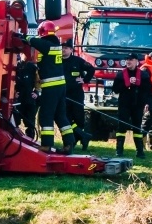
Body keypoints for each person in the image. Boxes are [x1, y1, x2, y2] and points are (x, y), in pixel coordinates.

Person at [14, 21, 76, 154]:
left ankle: (47, 145)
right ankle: (69, 143)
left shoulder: (49, 45)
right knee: (60, 116)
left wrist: (23, 37)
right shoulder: (55, 45)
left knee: (45, 115)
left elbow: (36, 42)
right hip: (59, 86)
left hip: (51, 87)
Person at [112, 53, 152, 158]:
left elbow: (148, 89)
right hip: (124, 104)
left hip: (138, 105)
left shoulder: (143, 75)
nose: (128, 62)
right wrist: (127, 83)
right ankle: (119, 150)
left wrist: (146, 102)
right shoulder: (121, 75)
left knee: (137, 128)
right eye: (127, 60)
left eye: (131, 60)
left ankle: (140, 151)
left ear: (136, 61)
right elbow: (115, 89)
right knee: (122, 127)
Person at [61, 38, 95, 151]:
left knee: (79, 119)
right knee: (66, 119)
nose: (63, 50)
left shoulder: (78, 61)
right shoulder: (57, 61)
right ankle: (82, 137)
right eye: (62, 48)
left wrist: (85, 80)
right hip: (63, 94)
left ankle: (77, 140)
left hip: (76, 94)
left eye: (66, 48)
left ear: (71, 49)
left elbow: (91, 69)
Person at [13, 52, 39, 139]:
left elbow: (38, 80)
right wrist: (13, 92)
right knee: (15, 119)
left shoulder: (32, 67)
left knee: (30, 120)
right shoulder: (14, 67)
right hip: (17, 98)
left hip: (29, 97)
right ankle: (15, 137)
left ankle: (31, 138)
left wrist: (37, 92)